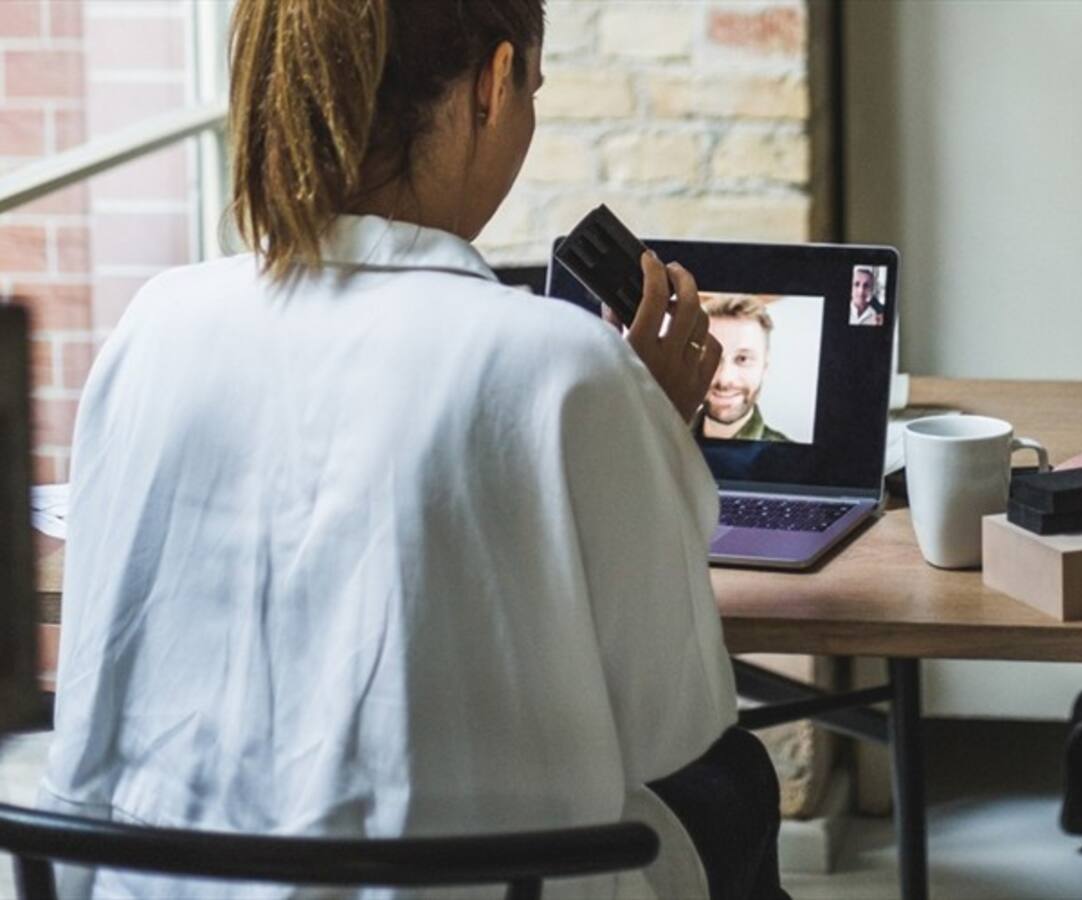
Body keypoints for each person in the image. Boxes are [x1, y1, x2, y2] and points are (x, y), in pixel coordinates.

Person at [39, 2, 789, 899]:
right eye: (533, 92)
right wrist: (653, 427)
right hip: (485, 886)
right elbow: (670, 722)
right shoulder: (562, 370)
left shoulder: (154, 325)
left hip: (166, 885)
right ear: (496, 82)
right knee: (731, 779)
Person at [696, 295, 790, 442]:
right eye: (710, 357)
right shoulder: (662, 441)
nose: (724, 380)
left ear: (764, 366)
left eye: (743, 359)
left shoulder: (793, 459)